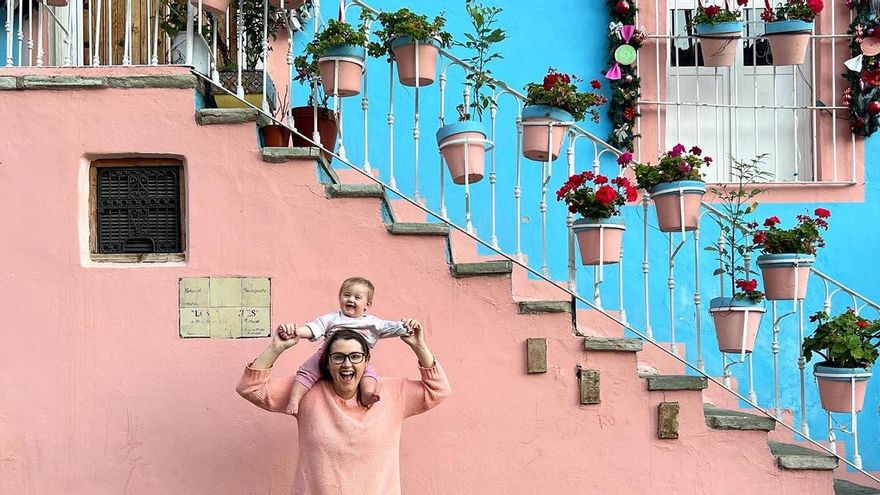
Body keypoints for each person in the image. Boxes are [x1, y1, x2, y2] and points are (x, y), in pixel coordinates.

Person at [235, 322, 451, 495]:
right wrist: (276, 348)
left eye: (355, 356)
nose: (347, 364)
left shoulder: (393, 393)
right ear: (327, 363)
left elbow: (439, 390)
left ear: (366, 362)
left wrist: (419, 346)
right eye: (338, 357)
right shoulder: (306, 392)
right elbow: (250, 388)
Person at [278, 276, 412, 415]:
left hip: (356, 361)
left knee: (369, 374)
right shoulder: (332, 318)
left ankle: (366, 394)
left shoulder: (373, 323)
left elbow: (393, 328)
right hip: (326, 356)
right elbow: (315, 327)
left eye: (357, 297)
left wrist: (406, 326)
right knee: (306, 372)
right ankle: (294, 399)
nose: (351, 300)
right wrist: (297, 332)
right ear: (339, 298)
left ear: (368, 304)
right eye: (346, 295)